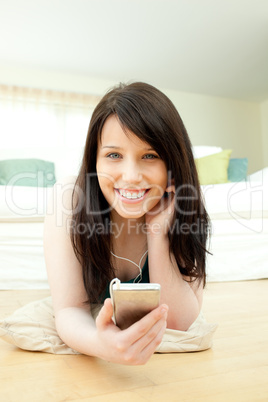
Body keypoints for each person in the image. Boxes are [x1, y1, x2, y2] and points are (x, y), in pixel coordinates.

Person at [44, 82, 210, 365]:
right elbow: (70, 309)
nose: (131, 176)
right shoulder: (70, 198)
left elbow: (180, 323)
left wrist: (158, 233)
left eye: (150, 156)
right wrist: (101, 344)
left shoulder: (185, 201)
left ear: (172, 161)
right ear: (94, 160)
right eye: (113, 155)